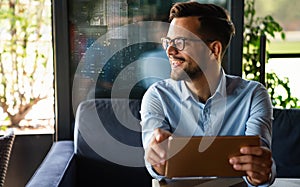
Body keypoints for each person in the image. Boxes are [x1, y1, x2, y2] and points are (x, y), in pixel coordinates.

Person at [140, 2, 275, 186]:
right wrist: (156, 160)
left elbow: (259, 159)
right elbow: (154, 162)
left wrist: (260, 172)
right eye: (168, 42)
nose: (170, 51)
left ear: (214, 49)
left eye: (180, 42)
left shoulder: (253, 96)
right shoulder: (157, 97)